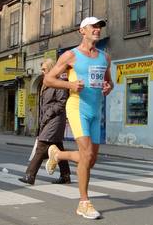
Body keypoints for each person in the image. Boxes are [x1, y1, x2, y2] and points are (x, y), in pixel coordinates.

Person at [43, 16, 113, 219]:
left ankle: (57, 155)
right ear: (82, 30)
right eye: (93, 26)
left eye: (99, 27)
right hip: (77, 108)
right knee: (86, 153)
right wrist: (70, 85)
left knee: (89, 160)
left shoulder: (104, 57)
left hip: (96, 111)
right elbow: (48, 79)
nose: (97, 29)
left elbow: (109, 83)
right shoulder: (70, 56)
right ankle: (84, 202)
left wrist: (108, 87)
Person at [19, 58, 71, 185]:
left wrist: (47, 114)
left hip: (55, 119)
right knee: (58, 148)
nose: (42, 72)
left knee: (41, 146)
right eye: (42, 69)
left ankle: (30, 175)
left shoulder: (59, 82)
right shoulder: (46, 83)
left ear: (52, 69)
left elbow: (61, 103)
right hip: (49, 119)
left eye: (44, 69)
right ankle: (66, 176)